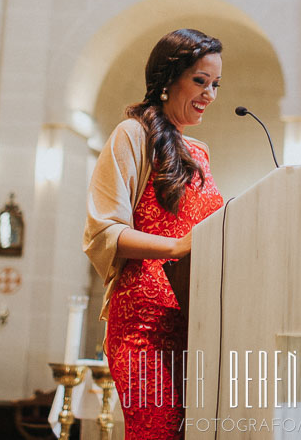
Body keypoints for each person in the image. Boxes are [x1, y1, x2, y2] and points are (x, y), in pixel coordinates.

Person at [83, 28, 224, 439]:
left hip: (197, 321)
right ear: (167, 77)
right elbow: (103, 231)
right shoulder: (132, 134)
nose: (210, 93)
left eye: (215, 84)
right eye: (200, 81)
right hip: (143, 324)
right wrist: (178, 247)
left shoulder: (200, 152)